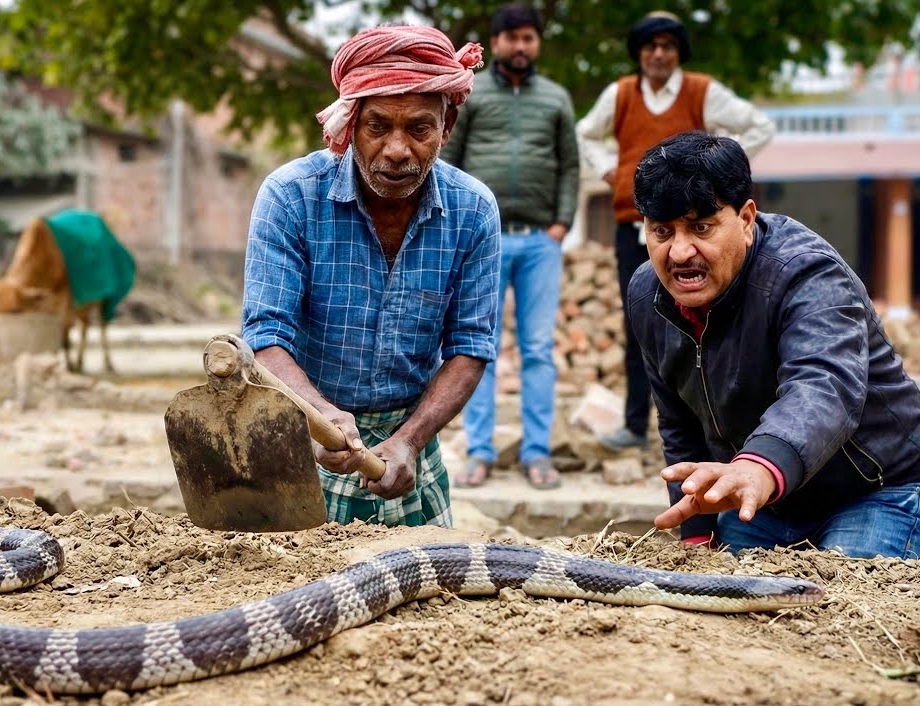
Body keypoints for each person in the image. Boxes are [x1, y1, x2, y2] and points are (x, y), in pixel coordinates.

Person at [627, 131, 920, 558]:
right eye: (662, 231)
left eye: (701, 227)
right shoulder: (649, 295)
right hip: (766, 492)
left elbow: (822, 386)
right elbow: (680, 422)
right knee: (728, 605)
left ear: (746, 218)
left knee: (840, 608)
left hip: (872, 485)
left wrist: (758, 467)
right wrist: (697, 534)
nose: (680, 252)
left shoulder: (807, 274)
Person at [240, 25, 501, 528]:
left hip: (411, 453)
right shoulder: (290, 197)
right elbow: (266, 336)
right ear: (350, 124)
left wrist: (409, 439)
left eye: (419, 129)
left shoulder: (473, 210)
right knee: (290, 593)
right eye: (378, 126)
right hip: (301, 437)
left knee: (432, 597)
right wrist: (322, 420)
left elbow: (470, 346)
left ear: (446, 130)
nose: (397, 149)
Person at [576, 10, 774, 451]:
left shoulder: (702, 91)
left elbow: (759, 126)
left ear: (678, 51)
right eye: (650, 46)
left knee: (711, 324)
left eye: (667, 46)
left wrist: (722, 173)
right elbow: (584, 133)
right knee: (641, 324)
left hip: (699, 231)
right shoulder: (622, 94)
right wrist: (609, 169)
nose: (659, 54)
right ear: (640, 53)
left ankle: (722, 431)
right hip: (637, 228)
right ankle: (634, 426)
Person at [441, 3, 579, 490]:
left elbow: (569, 165)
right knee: (479, 346)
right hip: (484, 241)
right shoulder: (469, 96)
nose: (520, 46)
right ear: (495, 42)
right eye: (511, 37)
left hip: (541, 240)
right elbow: (449, 160)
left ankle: (537, 454)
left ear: (537, 44)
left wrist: (562, 223)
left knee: (539, 349)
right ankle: (480, 452)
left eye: (528, 38)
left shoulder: (556, 98)